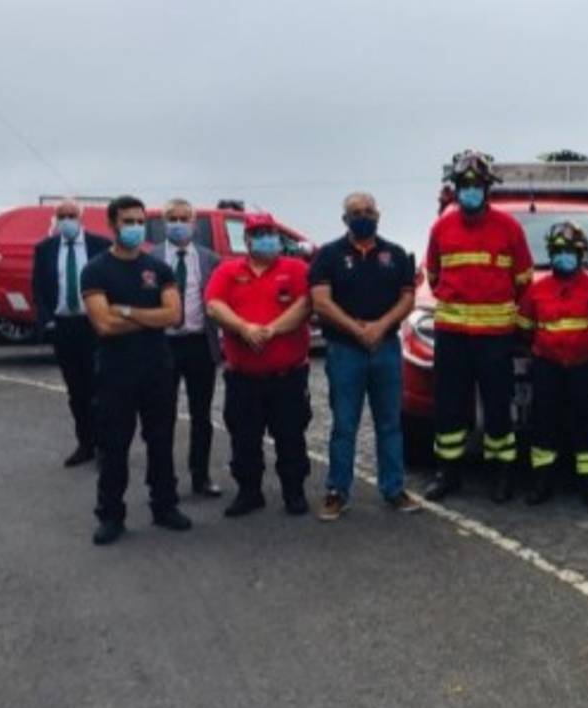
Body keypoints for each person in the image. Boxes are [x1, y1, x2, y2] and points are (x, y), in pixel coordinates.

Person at [422, 150, 534, 503]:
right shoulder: (442, 227)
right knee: (449, 406)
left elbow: (524, 278)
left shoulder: (509, 228)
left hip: (495, 337)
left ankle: (501, 474)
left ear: (488, 189)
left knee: (498, 406)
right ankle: (448, 473)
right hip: (452, 334)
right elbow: (434, 274)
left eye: (477, 185)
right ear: (456, 189)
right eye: (464, 185)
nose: (471, 190)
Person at [79, 195, 191, 545]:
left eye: (140, 221)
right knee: (114, 445)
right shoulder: (95, 270)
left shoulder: (159, 269)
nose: (135, 228)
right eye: (128, 222)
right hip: (116, 372)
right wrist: (149, 317)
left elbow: (174, 316)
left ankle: (164, 506)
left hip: (157, 368)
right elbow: (103, 325)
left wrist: (126, 311)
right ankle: (111, 515)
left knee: (161, 440)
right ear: (112, 224)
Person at [310, 192, 421, 519]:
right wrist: (357, 330)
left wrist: (379, 326)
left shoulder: (395, 254)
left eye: (369, 211)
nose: (363, 216)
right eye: (356, 212)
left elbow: (407, 299)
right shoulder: (328, 255)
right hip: (345, 351)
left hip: (385, 348)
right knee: (344, 424)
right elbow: (321, 301)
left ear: (379, 215)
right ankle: (336, 492)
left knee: (390, 423)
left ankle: (394, 489)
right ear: (345, 219)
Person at [203, 213, 314, 518]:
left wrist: (271, 329)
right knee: (244, 439)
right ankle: (249, 493)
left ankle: (294, 492)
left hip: (287, 376)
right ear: (247, 240)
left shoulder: (296, 268)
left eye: (271, 233)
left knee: (291, 436)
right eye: (260, 233)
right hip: (243, 378)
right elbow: (213, 304)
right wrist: (243, 328)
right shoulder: (228, 270)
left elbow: (305, 305)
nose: (268, 239)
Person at [516, 222, 588, 506]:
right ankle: (542, 482)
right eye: (559, 251)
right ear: (551, 255)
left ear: (581, 254)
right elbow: (524, 329)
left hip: (585, 366)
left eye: (570, 251)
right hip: (547, 366)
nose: (565, 256)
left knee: (587, 424)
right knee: (544, 424)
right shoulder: (535, 291)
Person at [149, 198, 223, 497]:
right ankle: (163, 481)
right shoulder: (151, 259)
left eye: (184, 218)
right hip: (163, 344)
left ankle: (200, 475)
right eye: (172, 219)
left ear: (194, 223)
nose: (178, 224)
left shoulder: (209, 259)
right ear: (165, 223)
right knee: (161, 415)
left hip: (199, 344)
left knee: (201, 415)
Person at [31, 198, 110, 467]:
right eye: (61, 215)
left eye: (71, 214)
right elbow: (39, 290)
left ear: (81, 216)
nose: (66, 219)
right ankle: (85, 443)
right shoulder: (45, 249)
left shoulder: (100, 246)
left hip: (95, 324)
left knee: (99, 387)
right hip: (64, 327)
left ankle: (104, 444)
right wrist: (47, 322)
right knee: (76, 390)